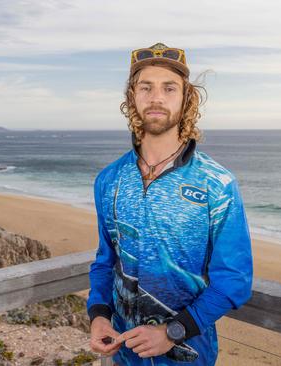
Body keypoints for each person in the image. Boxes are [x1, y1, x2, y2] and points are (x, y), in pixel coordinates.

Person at [87, 42, 253, 366]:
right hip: (124, 356)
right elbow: (105, 261)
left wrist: (171, 332)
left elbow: (234, 280)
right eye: (145, 87)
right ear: (132, 96)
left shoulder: (216, 184)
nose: (156, 98)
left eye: (169, 88)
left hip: (190, 358)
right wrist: (99, 315)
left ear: (186, 97)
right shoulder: (109, 180)